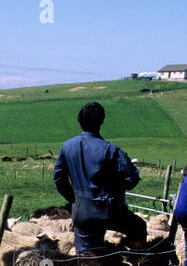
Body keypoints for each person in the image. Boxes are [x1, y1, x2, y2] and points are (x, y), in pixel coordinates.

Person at [53, 102, 146, 257]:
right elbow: (132, 178)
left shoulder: (67, 147)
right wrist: (114, 188)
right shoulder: (111, 150)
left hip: (83, 211)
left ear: (79, 122)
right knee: (138, 227)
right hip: (110, 211)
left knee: (85, 256)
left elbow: (59, 179)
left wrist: (74, 200)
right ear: (101, 121)